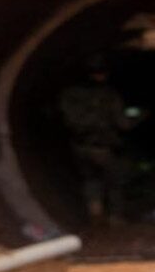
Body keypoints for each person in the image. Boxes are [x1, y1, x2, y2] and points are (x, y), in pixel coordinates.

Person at [58, 54, 135, 224]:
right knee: (115, 180)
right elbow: (122, 123)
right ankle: (115, 215)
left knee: (91, 179)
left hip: (79, 145)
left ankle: (95, 211)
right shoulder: (108, 95)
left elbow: (65, 118)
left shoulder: (70, 94)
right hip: (102, 146)